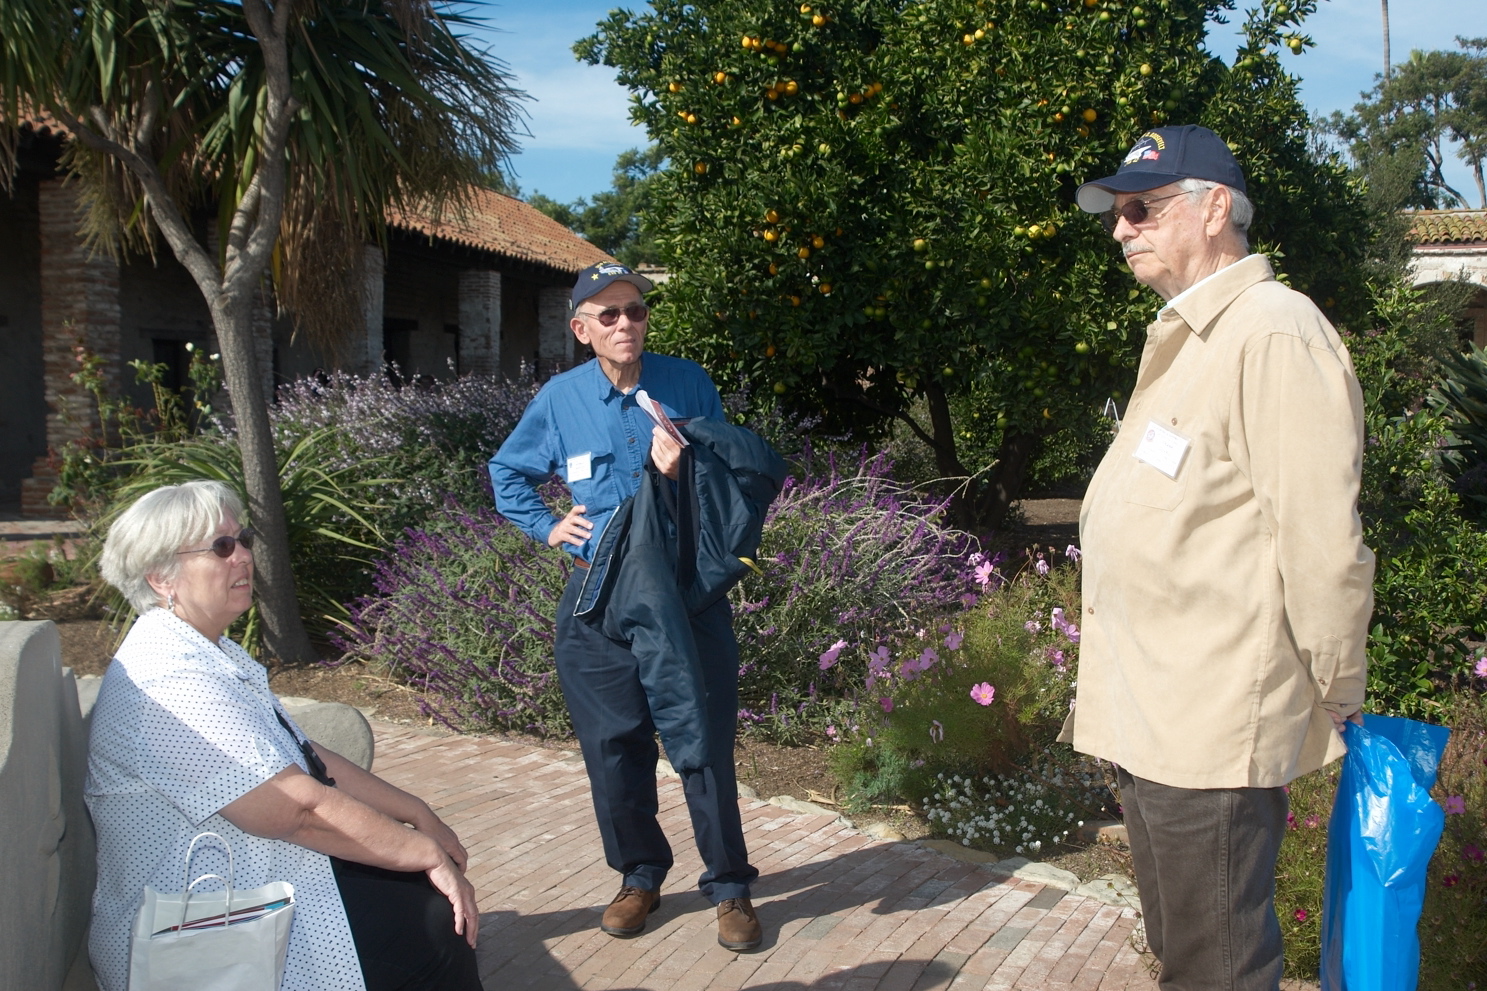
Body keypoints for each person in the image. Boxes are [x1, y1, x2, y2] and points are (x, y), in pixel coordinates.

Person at [1062, 125, 1375, 989]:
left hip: (1207, 725)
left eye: (1141, 208)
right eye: (1116, 214)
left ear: (1210, 210)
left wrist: (1336, 683)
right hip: (1154, 718)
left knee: (1217, 968)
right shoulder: (1191, 335)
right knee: (1182, 949)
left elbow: (1319, 541)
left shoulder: (1272, 332)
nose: (1120, 229)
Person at [87, 480, 481, 991]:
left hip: (258, 883)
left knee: (425, 911)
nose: (243, 556)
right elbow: (293, 809)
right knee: (431, 928)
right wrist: (424, 851)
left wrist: (415, 812)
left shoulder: (209, 653)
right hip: (200, 932)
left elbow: (306, 756)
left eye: (243, 539)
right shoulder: (167, 679)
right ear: (162, 578)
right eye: (221, 547)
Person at [488, 262, 762, 951]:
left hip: (682, 600)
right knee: (613, 749)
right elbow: (507, 470)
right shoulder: (560, 399)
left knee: (700, 742)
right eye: (606, 315)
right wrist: (547, 524)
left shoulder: (686, 382)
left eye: (634, 311)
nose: (623, 325)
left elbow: (726, 478)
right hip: (598, 598)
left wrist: (685, 468)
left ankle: (729, 886)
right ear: (581, 329)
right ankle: (639, 876)